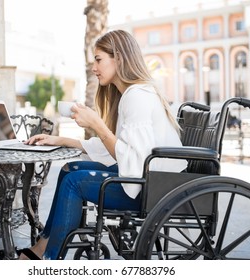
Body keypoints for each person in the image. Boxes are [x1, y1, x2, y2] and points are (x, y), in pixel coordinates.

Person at [18, 29, 187, 260]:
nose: (94, 68)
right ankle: (43, 246)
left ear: (118, 57)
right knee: (71, 169)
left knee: (74, 183)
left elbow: (133, 159)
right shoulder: (132, 93)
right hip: (146, 180)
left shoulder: (137, 95)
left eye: (98, 60)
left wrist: (98, 125)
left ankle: (48, 259)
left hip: (151, 189)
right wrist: (61, 140)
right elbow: (122, 150)